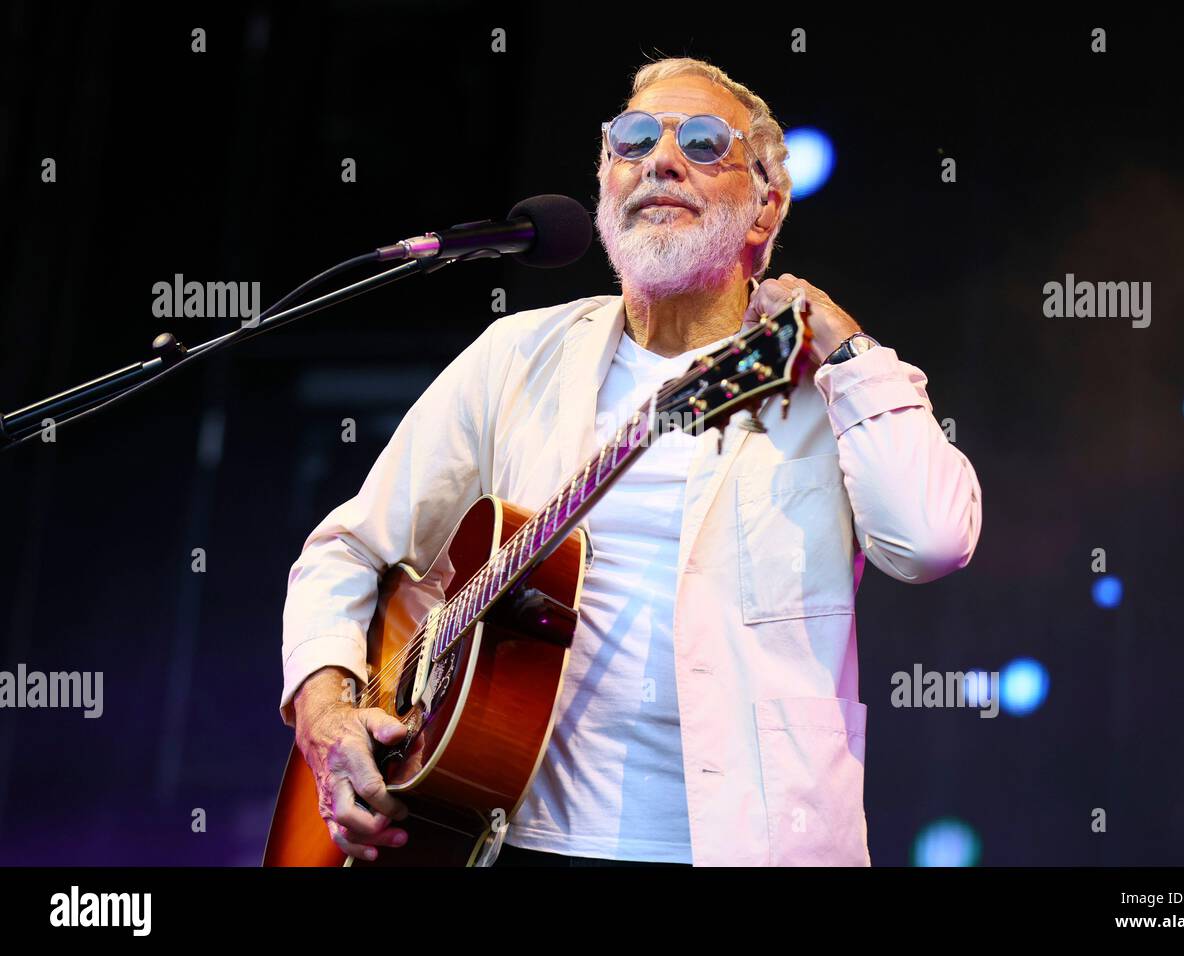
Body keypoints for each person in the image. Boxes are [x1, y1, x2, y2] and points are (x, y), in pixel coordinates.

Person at [280, 56, 983, 867]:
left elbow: (931, 540)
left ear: (767, 208)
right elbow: (347, 554)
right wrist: (328, 710)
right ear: (608, 186)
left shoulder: (828, 386)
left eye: (706, 143)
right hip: (490, 835)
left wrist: (853, 355)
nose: (661, 159)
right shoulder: (518, 353)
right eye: (635, 139)